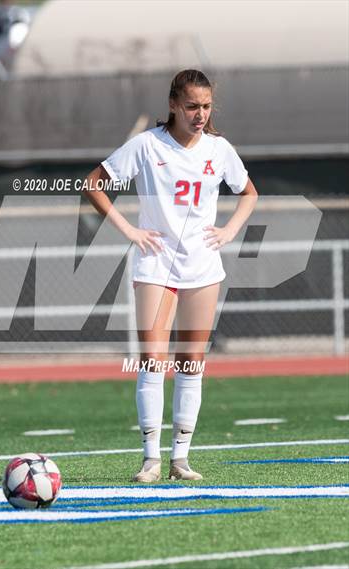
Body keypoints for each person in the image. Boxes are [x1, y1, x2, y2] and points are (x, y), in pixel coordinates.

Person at [84, 69, 258, 482]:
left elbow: (249, 192)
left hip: (202, 265)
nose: (200, 114)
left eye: (207, 106)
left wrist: (230, 230)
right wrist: (129, 230)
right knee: (152, 360)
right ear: (174, 105)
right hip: (156, 264)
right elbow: (94, 184)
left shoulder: (219, 149)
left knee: (191, 363)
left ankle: (180, 459)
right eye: (193, 106)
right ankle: (150, 459)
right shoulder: (146, 146)